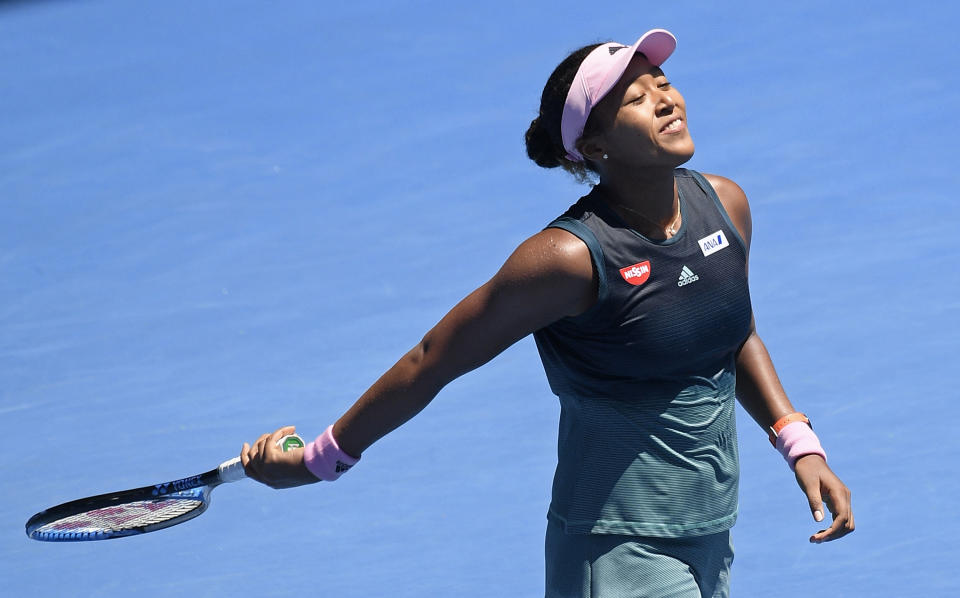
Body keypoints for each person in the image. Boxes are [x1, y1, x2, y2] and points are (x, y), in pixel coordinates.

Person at [240, 28, 854, 597]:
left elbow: (730, 327)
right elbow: (432, 360)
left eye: (662, 83)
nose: (665, 99)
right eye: (636, 99)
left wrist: (800, 445)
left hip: (712, 531)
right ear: (593, 147)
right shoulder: (566, 258)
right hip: (616, 546)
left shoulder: (724, 205)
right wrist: (319, 460)